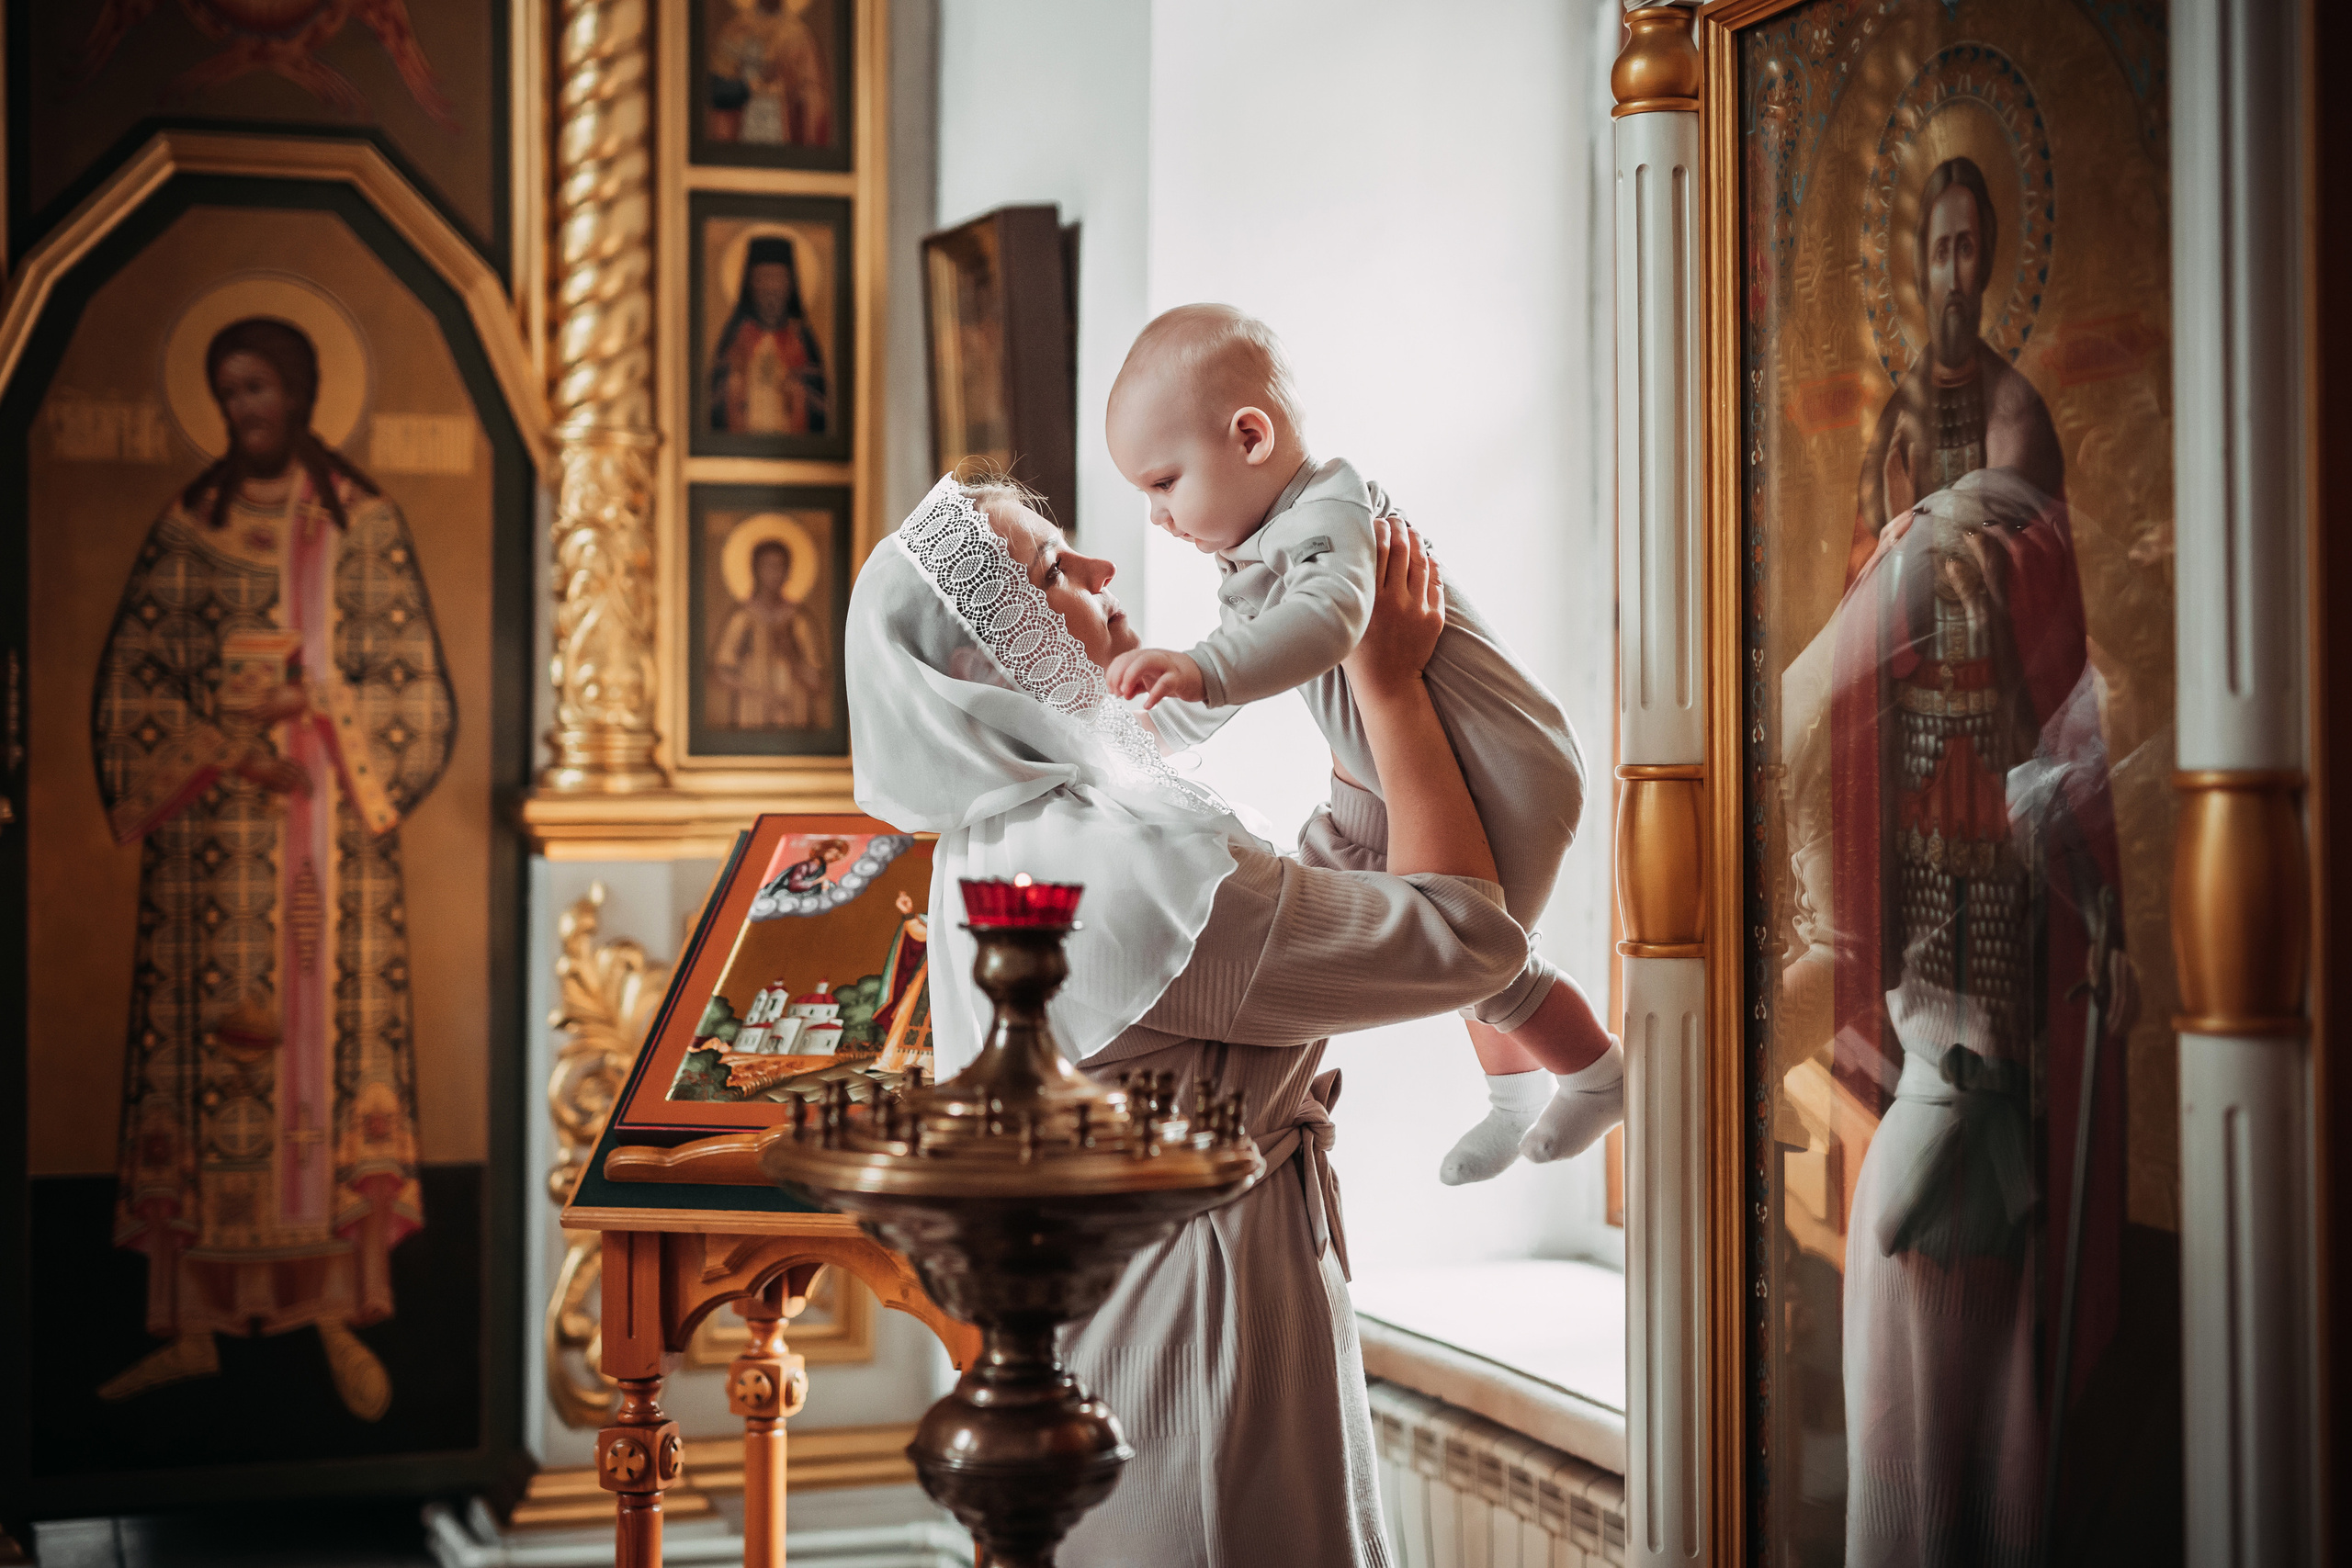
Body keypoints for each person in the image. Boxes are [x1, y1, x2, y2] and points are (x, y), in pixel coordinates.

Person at [849, 468, 1537, 1565]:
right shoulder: (1123, 868)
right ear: (987, 665)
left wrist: (1349, 698)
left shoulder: (1013, 835)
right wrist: (1391, 691)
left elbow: (1284, 929)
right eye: (1052, 570)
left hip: (1141, 1315)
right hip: (1201, 1336)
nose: (1100, 566)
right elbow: (1465, 942)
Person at [1100, 303, 1620, 1185]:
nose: (1158, 516)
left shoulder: (1327, 510)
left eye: (1164, 483)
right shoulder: (1255, 554)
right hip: (1390, 776)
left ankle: (1598, 1075)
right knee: (1436, 941)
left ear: (1250, 436)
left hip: (1507, 765)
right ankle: (1517, 1097)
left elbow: (1328, 621)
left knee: (1478, 948)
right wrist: (1147, 731)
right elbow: (1230, 678)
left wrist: (1199, 669)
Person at [91, 316, 454, 1421]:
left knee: (327, 1078)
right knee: (210, 1093)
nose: (244, 411)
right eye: (228, 393)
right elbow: (133, 690)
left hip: (332, 859)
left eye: (258, 390)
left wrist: (318, 705)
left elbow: (415, 691)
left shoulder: (363, 527)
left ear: (299, 394)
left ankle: (338, 1313)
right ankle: (192, 1330)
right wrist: (226, 743)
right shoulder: (188, 528)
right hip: (212, 867)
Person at [710, 236, 829, 435]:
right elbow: (714, 401)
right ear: (750, 285)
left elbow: (821, 405)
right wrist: (736, 380)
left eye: (778, 279)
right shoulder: (736, 337)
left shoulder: (800, 338)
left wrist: (797, 388)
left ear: (791, 286)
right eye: (762, 278)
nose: (771, 289)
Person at [711, 537, 829, 728]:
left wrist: (792, 655)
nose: (774, 573)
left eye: (780, 567)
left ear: (788, 571)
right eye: (768, 566)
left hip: (793, 715)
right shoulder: (742, 619)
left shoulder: (798, 620)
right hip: (752, 715)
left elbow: (817, 681)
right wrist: (757, 692)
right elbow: (721, 670)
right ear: (756, 570)